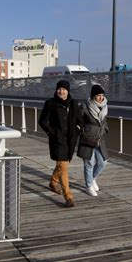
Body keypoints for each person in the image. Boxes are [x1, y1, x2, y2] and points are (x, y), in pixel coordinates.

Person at [38, 80, 82, 208]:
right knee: (63, 165)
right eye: (59, 89)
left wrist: (78, 130)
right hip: (57, 139)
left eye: (64, 89)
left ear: (68, 91)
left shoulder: (74, 104)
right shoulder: (50, 103)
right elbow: (42, 121)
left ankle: (53, 182)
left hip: (70, 140)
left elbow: (80, 120)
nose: (61, 91)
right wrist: (52, 132)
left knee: (63, 165)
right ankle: (68, 196)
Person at [77, 85, 109, 197]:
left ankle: (93, 178)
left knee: (103, 162)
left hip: (100, 139)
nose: (100, 98)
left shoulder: (104, 106)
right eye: (98, 95)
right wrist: (83, 131)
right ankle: (88, 186)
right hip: (88, 139)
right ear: (93, 96)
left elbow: (104, 122)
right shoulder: (85, 106)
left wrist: (105, 130)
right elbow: (78, 121)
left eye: (102, 95)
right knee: (89, 163)